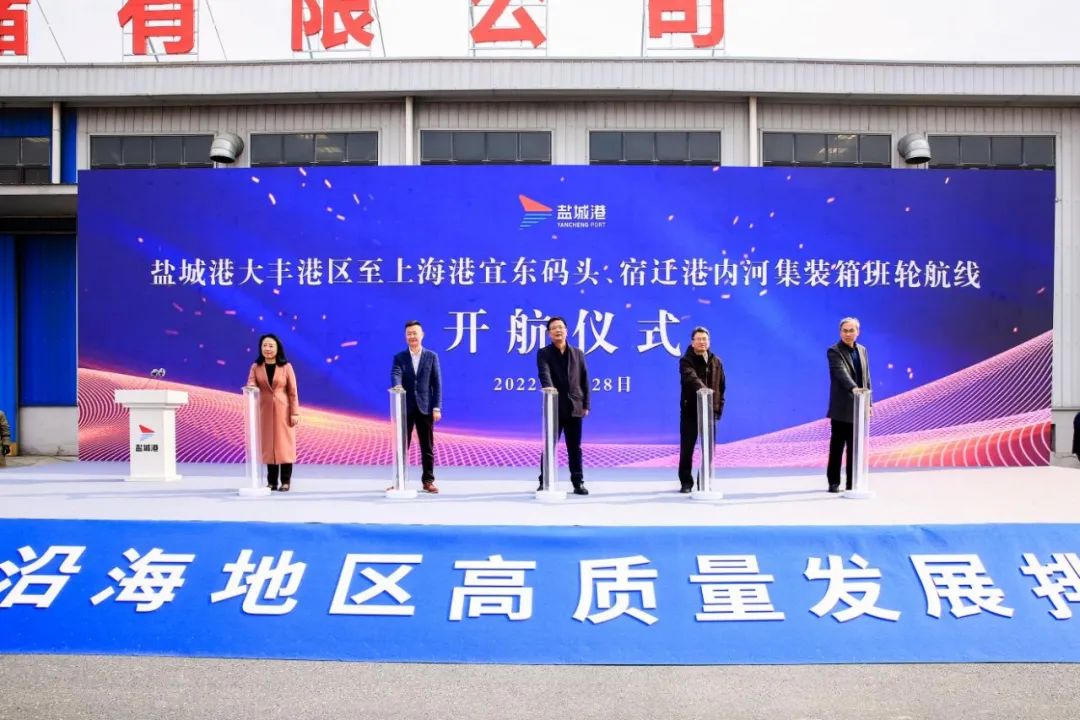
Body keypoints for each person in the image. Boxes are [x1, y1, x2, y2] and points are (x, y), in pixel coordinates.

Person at [536, 316, 590, 496]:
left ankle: (578, 482)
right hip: (554, 408)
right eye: (554, 328)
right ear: (549, 333)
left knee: (575, 448)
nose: (558, 330)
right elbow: (544, 373)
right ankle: (544, 481)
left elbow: (584, 380)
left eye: (561, 327)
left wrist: (586, 404)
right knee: (549, 447)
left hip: (575, 407)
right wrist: (549, 388)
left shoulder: (578, 353)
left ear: (566, 331)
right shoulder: (544, 353)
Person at [391, 320, 442, 494]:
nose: (412, 336)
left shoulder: (432, 356)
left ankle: (428, 481)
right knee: (401, 447)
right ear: (405, 336)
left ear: (422, 335)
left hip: (425, 408)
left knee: (427, 447)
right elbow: (396, 373)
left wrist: (436, 407)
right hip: (405, 407)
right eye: (409, 334)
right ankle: (399, 482)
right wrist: (397, 386)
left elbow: (437, 384)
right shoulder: (399, 357)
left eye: (415, 333)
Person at [246, 334, 300, 491]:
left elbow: (293, 392)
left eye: (271, 346)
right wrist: (251, 386)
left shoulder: (286, 367)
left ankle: (285, 481)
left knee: (284, 446)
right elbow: (251, 382)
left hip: (284, 411)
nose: (267, 349)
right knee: (269, 446)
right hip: (265, 412)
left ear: (277, 348)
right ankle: (272, 482)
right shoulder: (256, 367)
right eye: (264, 345)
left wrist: (295, 412)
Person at [677, 327, 726, 493]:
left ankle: (703, 482)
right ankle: (686, 483)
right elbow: (691, 378)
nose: (701, 342)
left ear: (709, 341)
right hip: (690, 412)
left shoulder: (716, 361)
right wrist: (704, 390)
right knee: (687, 449)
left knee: (708, 451)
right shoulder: (685, 361)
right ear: (692, 342)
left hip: (709, 412)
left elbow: (721, 387)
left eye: (704, 339)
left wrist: (718, 408)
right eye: (698, 339)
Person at [826, 317, 871, 493]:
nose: (847, 334)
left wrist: (869, 403)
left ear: (857, 332)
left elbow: (867, 378)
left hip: (859, 408)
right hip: (841, 407)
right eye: (844, 331)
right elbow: (841, 373)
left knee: (855, 448)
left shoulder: (862, 350)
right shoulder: (834, 351)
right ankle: (834, 482)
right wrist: (854, 388)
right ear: (840, 332)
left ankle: (852, 483)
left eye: (851, 330)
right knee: (837, 447)